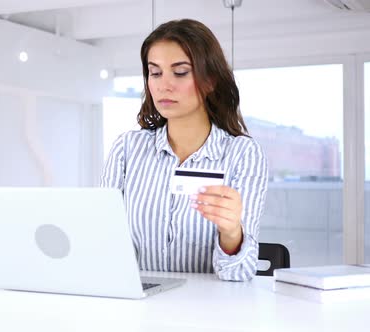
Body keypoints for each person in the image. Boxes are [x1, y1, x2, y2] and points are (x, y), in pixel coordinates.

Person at [100, 19, 268, 281]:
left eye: (179, 73)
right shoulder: (126, 149)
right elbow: (104, 244)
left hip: (209, 312)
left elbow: (240, 273)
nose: (163, 85)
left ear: (210, 80)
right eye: (155, 73)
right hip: (140, 307)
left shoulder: (243, 155)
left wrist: (232, 232)